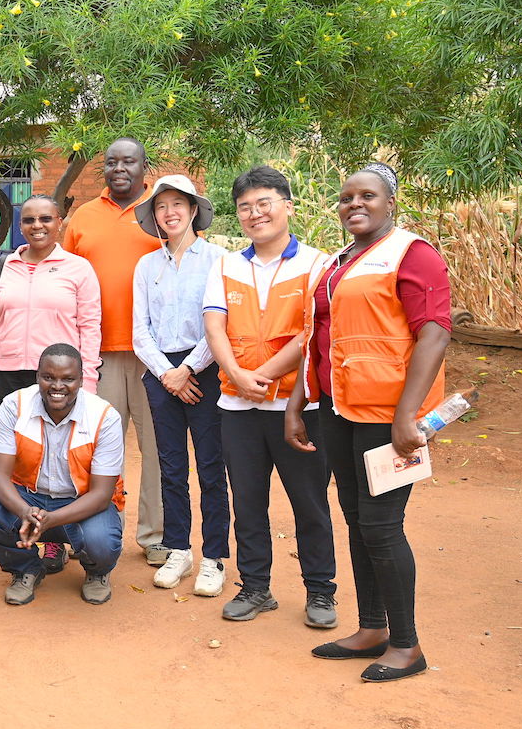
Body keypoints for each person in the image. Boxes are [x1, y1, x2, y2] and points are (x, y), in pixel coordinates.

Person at [286, 162, 450, 682]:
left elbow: (435, 334)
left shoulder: (413, 254)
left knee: (382, 526)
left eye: (367, 196)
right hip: (339, 409)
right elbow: (319, 339)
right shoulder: (339, 262)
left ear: (390, 203)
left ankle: (407, 645)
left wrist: (408, 415)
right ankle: (373, 628)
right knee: (357, 517)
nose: (354, 204)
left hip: (386, 417)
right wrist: (299, 402)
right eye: (346, 198)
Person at [203, 166, 339, 628]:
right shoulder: (226, 265)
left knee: (310, 502)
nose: (255, 213)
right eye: (245, 207)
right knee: (248, 502)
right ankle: (256, 588)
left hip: (298, 409)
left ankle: (321, 592)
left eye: (264, 203)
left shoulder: (318, 264)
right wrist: (236, 376)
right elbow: (214, 326)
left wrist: (257, 374)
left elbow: (310, 332)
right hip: (237, 407)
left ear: (288, 206)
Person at [62, 137, 168, 565]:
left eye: (129, 161)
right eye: (111, 162)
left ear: (144, 167)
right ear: (103, 169)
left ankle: (155, 535)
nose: (119, 168)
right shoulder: (84, 217)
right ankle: (97, 533)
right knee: (95, 449)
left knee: (159, 450)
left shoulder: (163, 215)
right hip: (97, 358)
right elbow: (64, 277)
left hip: (154, 358)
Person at [130, 176, 231, 596]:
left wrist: (188, 369)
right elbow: (140, 332)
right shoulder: (146, 266)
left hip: (205, 368)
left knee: (210, 467)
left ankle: (214, 557)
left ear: (193, 210)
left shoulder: (218, 260)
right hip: (159, 374)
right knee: (170, 467)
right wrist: (167, 375)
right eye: (160, 206)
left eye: (177, 204)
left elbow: (219, 324)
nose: (169, 213)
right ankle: (178, 550)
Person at [0, 344, 125, 606]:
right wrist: (23, 511)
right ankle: (26, 568)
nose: (57, 386)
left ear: (81, 379)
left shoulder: (104, 416)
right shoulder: (14, 405)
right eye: (49, 377)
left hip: (81, 502)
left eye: (68, 379)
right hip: (28, 498)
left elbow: (101, 495)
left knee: (101, 542)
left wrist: (51, 519)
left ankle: (96, 572)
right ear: (37, 376)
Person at [0, 193, 101, 403]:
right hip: (7, 374)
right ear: (20, 226)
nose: (37, 225)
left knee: (57, 436)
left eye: (45, 219)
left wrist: (88, 379)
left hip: (59, 375)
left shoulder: (79, 268)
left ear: (59, 223)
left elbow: (90, 328)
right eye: (29, 220)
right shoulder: (3, 267)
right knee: (12, 435)